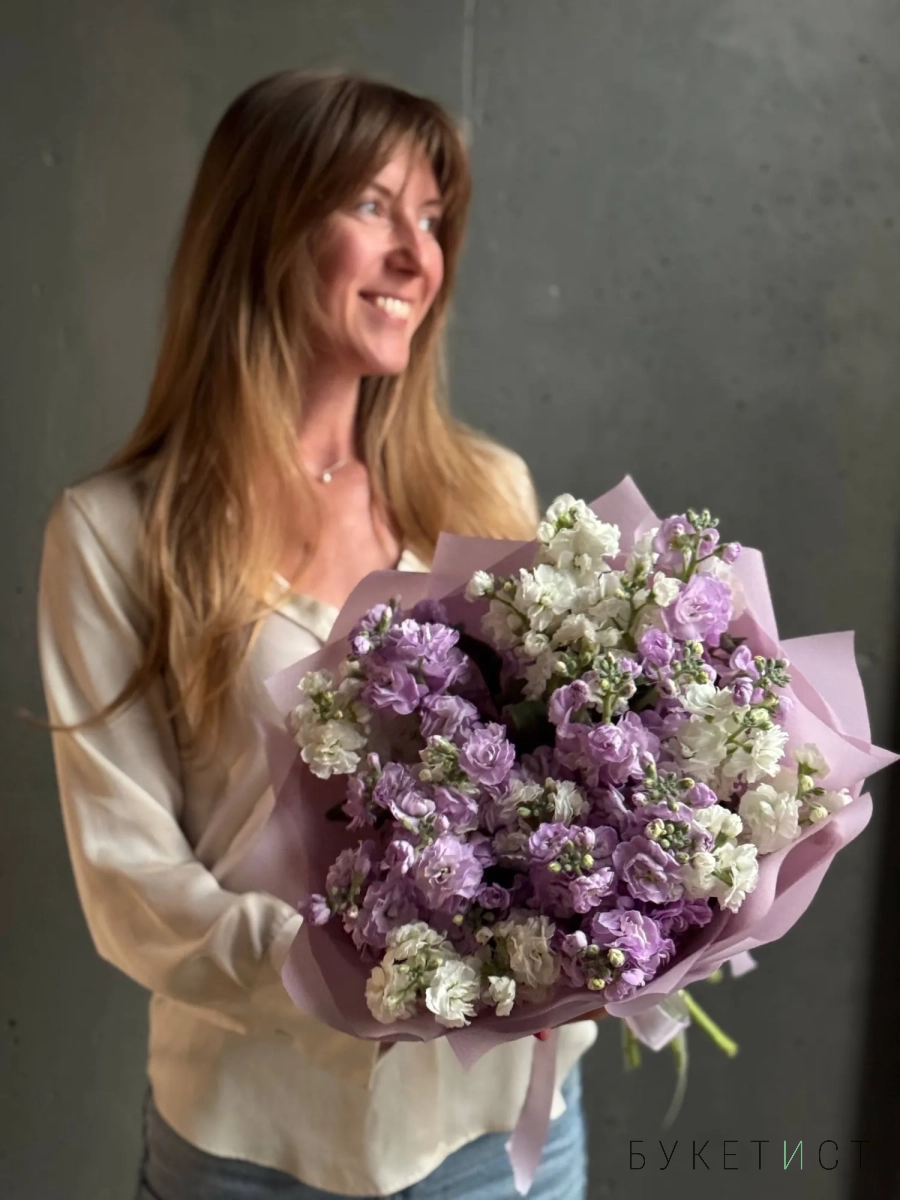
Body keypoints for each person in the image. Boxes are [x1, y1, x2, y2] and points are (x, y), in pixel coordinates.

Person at [35, 70, 600, 1199]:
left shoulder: (487, 490)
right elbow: (131, 881)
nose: (418, 257)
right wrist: (370, 972)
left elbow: (562, 782)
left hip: (499, 1137)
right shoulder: (117, 536)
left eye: (431, 219)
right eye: (373, 206)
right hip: (256, 1143)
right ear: (264, 224)